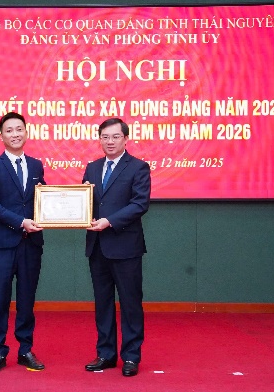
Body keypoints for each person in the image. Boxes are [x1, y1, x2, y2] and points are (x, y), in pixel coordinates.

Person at [82, 117, 151, 377]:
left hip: (126, 247)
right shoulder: (92, 168)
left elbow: (139, 204)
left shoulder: (138, 167)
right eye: (105, 137)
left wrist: (109, 221)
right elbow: (85, 202)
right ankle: (106, 354)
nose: (109, 141)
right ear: (99, 140)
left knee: (130, 304)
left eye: (115, 137)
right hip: (97, 247)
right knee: (103, 304)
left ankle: (131, 356)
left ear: (125, 139)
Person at [0, 112, 46, 373]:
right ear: (1, 136)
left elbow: (43, 199)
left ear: (26, 133)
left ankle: (25, 349)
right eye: (9, 130)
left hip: (31, 245)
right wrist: (21, 222)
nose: (15, 134)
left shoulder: (37, 165)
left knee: (27, 301)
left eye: (19, 129)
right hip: (2, 244)